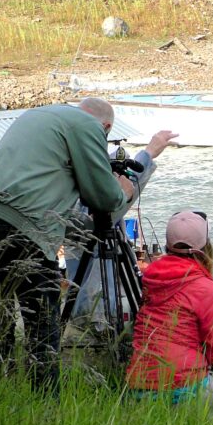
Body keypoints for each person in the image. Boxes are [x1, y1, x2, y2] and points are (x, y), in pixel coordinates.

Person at [0, 98, 133, 395]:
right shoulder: (88, 126)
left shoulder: (40, 115)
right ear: (105, 128)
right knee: (42, 322)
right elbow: (103, 197)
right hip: (25, 225)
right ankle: (45, 403)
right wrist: (124, 191)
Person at [126, 211, 213, 402]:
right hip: (181, 389)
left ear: (167, 247)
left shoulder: (150, 278)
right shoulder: (208, 289)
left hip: (139, 388)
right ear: (206, 247)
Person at [66, 130, 178, 333]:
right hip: (93, 313)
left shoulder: (72, 193)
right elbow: (121, 195)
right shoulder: (90, 212)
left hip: (84, 307)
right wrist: (149, 152)